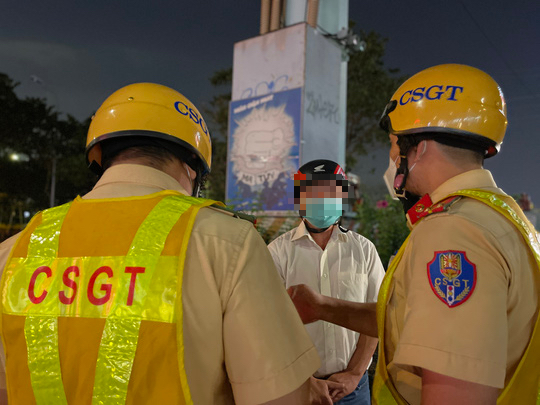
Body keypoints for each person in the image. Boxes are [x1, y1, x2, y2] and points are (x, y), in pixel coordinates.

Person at [0, 83, 321, 404]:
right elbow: (280, 397)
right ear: (191, 168)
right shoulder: (226, 241)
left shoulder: (17, 248)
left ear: (101, 158)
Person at [287, 64, 540, 404]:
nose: (392, 158)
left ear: (418, 149)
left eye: (394, 144)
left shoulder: (452, 231)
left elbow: (455, 391)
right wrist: (323, 308)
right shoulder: (503, 215)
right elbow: (406, 318)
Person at [268, 160, 385, 405]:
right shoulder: (277, 252)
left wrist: (354, 373)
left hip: (353, 389)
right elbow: (270, 325)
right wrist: (305, 381)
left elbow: (376, 315)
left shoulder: (364, 250)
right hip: (298, 387)